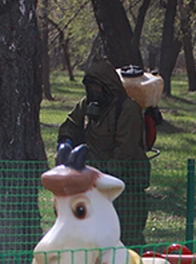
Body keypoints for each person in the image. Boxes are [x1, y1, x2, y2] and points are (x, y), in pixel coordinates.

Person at [58, 59, 151, 248]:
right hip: (93, 185)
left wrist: (99, 175)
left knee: (126, 238)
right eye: (89, 87)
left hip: (125, 187)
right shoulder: (86, 106)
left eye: (97, 87)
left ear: (108, 87)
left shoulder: (127, 109)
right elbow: (70, 126)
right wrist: (65, 144)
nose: (93, 92)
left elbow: (125, 150)